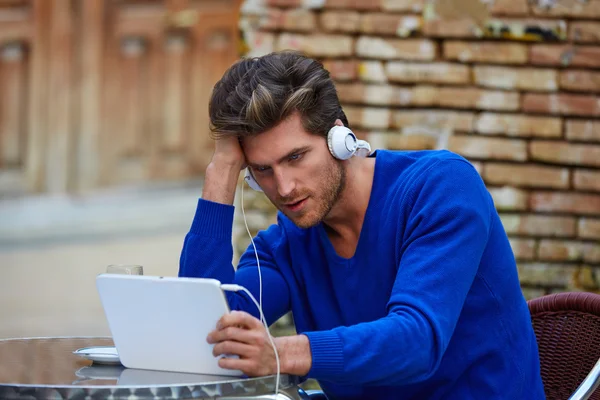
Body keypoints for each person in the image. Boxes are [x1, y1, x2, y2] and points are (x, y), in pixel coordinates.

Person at [178, 50, 546, 400]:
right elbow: (203, 337)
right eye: (263, 170)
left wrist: (283, 354)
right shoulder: (285, 246)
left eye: (296, 157)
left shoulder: (442, 188)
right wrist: (220, 175)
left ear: (339, 139)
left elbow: (417, 340)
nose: (284, 187)